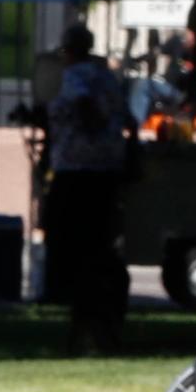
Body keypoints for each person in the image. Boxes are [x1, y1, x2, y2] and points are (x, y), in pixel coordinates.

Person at [40, 22, 133, 353]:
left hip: (77, 170)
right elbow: (126, 116)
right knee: (100, 246)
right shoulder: (107, 76)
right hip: (106, 170)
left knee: (75, 245)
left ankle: (85, 320)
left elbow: (82, 105)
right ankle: (98, 323)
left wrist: (86, 125)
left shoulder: (77, 75)